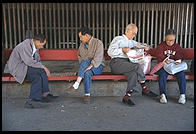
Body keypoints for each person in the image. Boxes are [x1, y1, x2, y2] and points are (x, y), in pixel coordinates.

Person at [107, 23, 158, 107]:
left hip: (127, 64)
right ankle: (144, 87)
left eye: (135, 34)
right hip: (116, 63)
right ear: (127, 31)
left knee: (133, 74)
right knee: (136, 66)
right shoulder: (118, 39)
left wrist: (145, 47)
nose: (134, 35)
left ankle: (127, 97)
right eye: (133, 33)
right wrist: (122, 50)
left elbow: (141, 45)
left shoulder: (132, 42)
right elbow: (110, 52)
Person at [7, 34, 58, 108]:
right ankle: (44, 94)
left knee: (37, 77)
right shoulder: (24, 46)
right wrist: (44, 67)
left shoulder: (34, 46)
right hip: (18, 68)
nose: (42, 47)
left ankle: (34, 99)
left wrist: (41, 67)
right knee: (41, 71)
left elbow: (37, 61)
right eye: (41, 44)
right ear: (37, 41)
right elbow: (29, 61)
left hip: (26, 66)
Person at [67, 27, 105, 104]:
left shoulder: (98, 43)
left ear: (87, 35)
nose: (80, 39)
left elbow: (98, 57)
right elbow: (80, 56)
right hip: (86, 67)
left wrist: (90, 65)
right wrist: (85, 65)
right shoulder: (82, 45)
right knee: (87, 72)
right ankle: (87, 94)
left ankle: (76, 83)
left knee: (86, 62)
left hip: (98, 66)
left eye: (81, 37)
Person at [155, 29, 186, 104]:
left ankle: (182, 95)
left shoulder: (177, 46)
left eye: (172, 40)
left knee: (181, 75)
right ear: (165, 38)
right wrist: (164, 60)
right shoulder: (161, 46)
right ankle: (162, 95)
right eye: (168, 40)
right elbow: (159, 55)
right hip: (164, 66)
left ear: (175, 39)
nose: (170, 42)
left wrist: (178, 61)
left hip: (174, 67)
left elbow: (180, 55)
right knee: (162, 75)